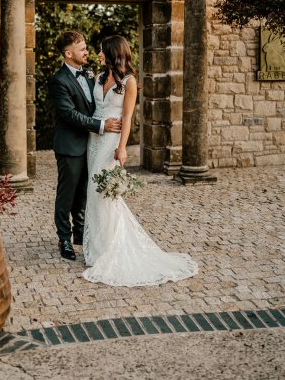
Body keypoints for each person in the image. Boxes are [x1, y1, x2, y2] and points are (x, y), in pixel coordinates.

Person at [83, 35, 198, 286]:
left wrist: (122, 148)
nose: (98, 54)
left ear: (113, 52)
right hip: (95, 140)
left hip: (112, 143)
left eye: (102, 51)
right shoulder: (100, 77)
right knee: (93, 192)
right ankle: (97, 246)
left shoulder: (129, 81)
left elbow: (127, 117)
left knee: (103, 192)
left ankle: (111, 247)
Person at [48, 31, 121, 261]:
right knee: (66, 195)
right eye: (82, 49)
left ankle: (80, 233)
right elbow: (70, 115)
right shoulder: (58, 81)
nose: (87, 52)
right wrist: (101, 125)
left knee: (83, 193)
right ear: (68, 54)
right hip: (69, 145)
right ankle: (65, 239)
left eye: (86, 48)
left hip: (92, 146)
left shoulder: (90, 74)